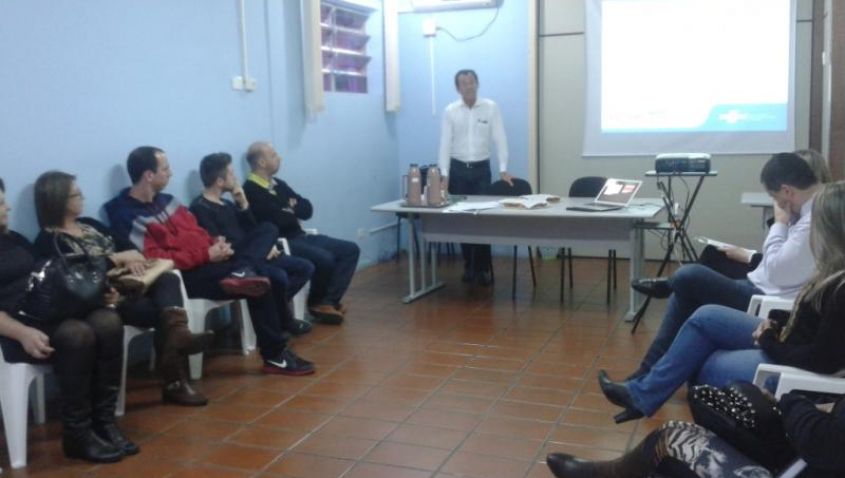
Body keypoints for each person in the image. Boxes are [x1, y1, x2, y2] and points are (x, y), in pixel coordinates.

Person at [598, 181, 845, 423]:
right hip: (786, 337)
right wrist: (777, 323)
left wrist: (770, 341)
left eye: (815, 223)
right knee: (704, 315)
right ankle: (640, 392)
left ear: (830, 231)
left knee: (699, 362)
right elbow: (812, 321)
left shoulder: (840, 288)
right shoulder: (832, 269)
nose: (809, 229)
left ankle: (641, 393)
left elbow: (822, 359)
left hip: (795, 364)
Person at [105, 146, 314, 376]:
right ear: (149, 175)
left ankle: (243, 270)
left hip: (213, 261)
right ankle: (275, 355)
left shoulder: (169, 201)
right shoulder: (126, 215)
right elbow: (155, 260)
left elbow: (197, 232)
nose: (170, 173)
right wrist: (206, 255)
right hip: (186, 276)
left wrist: (215, 243)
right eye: (165, 169)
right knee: (261, 279)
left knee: (268, 230)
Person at [627, 152, 821, 380]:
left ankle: (668, 289)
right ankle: (644, 376)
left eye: (776, 198)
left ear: (787, 191)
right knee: (690, 285)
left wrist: (779, 224)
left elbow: (777, 270)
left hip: (764, 295)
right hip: (758, 284)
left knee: (690, 276)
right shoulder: (807, 212)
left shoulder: (812, 220)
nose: (778, 205)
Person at [32, 171, 213, 406]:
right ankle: (175, 379)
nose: (82, 198)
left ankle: (178, 338)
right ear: (58, 201)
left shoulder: (90, 225)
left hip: (133, 282)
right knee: (165, 315)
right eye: (76, 195)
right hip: (107, 298)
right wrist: (116, 262)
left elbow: (128, 248)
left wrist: (132, 261)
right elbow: (73, 281)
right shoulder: (48, 241)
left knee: (168, 279)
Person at [0, 177, 135, 463]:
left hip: (42, 312)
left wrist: (96, 296)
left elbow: (47, 281)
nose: (7, 207)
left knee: (108, 321)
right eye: (0, 203)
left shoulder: (15, 240)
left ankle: (104, 422)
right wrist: (21, 332)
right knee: (77, 334)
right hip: (13, 329)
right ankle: (77, 433)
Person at [547, 391, 845, 478]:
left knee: (673, 437)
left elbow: (826, 444)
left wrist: (794, 401)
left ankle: (603, 474)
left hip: (807, 460)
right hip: (800, 462)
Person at [190, 152, 315, 336]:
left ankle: (277, 314)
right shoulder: (200, 207)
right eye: (231, 173)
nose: (235, 178)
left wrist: (243, 204)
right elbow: (220, 244)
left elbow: (251, 229)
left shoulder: (228, 204)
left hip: (252, 257)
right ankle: (283, 320)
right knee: (278, 275)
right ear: (220, 181)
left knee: (304, 267)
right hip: (234, 259)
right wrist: (258, 249)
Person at [242, 141, 360, 325]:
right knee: (325, 259)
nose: (279, 158)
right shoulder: (250, 190)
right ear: (262, 162)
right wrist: (290, 209)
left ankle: (327, 302)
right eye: (273, 155)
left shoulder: (279, 184)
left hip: (302, 236)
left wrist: (289, 210)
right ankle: (318, 302)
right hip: (283, 242)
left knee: (350, 250)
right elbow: (276, 220)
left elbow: (307, 209)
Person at [437, 69, 511, 286]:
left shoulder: (490, 107)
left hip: (481, 170)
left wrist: (503, 168)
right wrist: (444, 174)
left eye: (471, 82)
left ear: (477, 84)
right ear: (457, 88)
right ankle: (469, 266)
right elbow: (445, 143)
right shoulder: (450, 111)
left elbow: (500, 138)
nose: (468, 86)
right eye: (463, 83)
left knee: (482, 220)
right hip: (458, 169)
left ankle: (483, 268)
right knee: (463, 221)